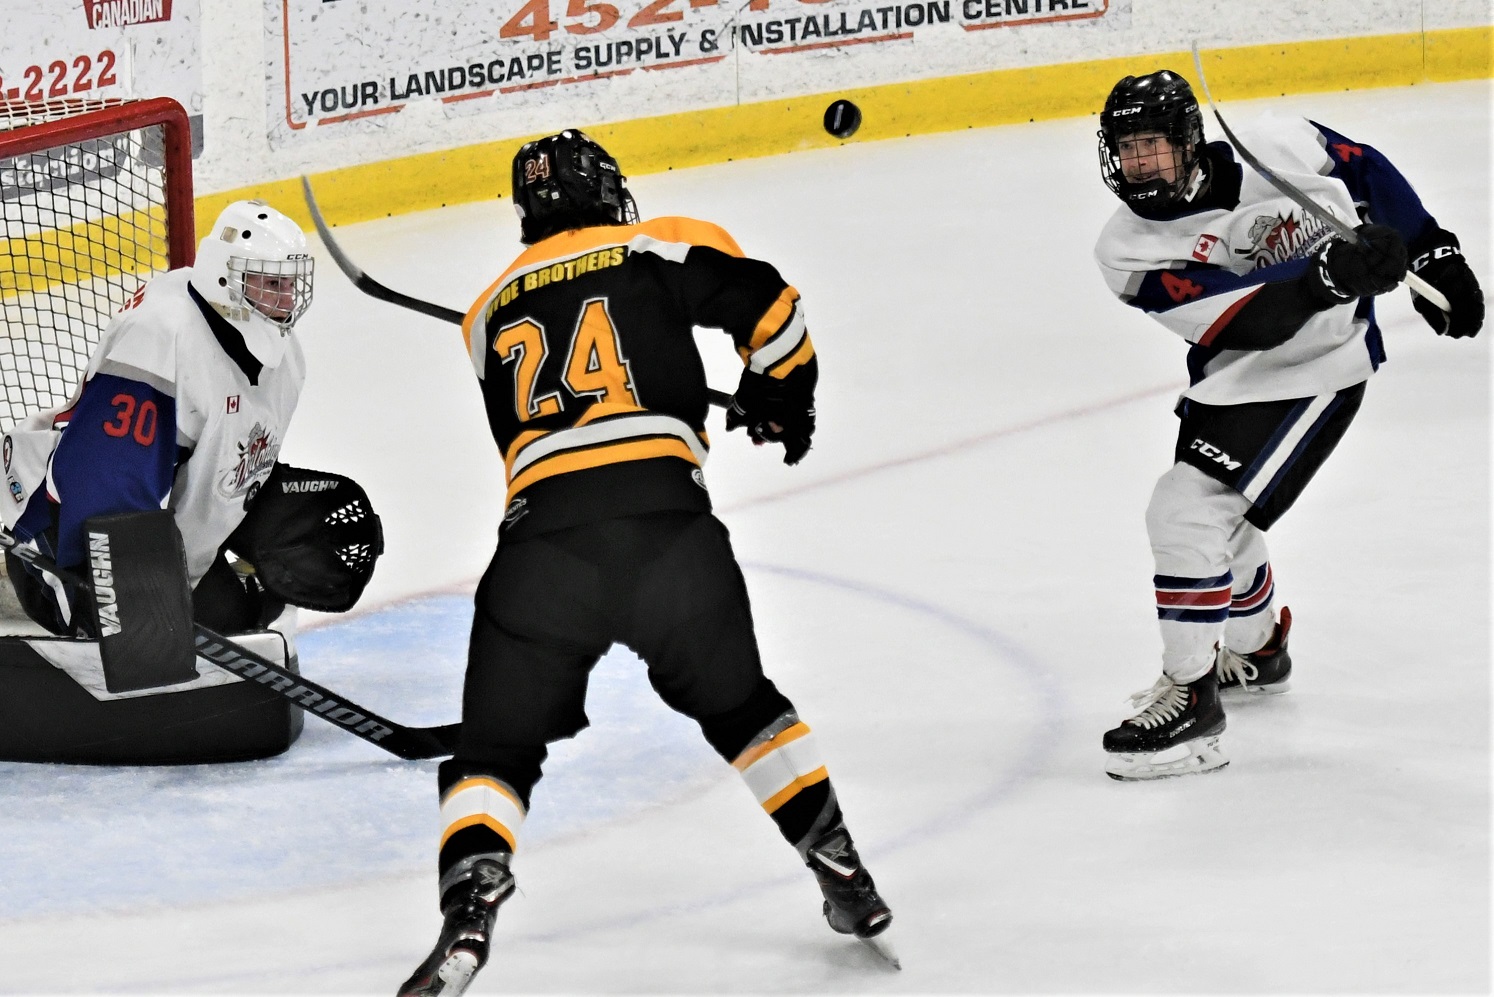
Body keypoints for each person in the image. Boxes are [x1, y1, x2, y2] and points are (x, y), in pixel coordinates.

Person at [397, 129, 894, 997]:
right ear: (604, 190)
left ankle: (471, 905)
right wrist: (781, 401)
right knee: (745, 710)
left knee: (494, 752)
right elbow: (773, 312)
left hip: (541, 548)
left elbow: (579, 400)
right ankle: (839, 864)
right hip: (667, 533)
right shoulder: (653, 240)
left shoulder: (485, 312)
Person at [1092, 71, 1483, 780]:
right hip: (1239, 371)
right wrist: (1327, 279)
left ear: (1188, 141)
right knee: (1217, 518)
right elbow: (1243, 320)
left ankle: (1193, 706)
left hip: (1320, 369)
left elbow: (1360, 165)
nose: (1139, 165)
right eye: (1128, 150)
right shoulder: (1126, 250)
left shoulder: (1274, 147)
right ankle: (1261, 648)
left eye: (1152, 146)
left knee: (1187, 510)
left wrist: (1433, 249)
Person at [1, 199, 381, 644]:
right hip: (62, 534)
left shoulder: (283, 352)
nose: (286, 299)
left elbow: (233, 455)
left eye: (290, 283)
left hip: (160, 508)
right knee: (227, 620)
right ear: (226, 278)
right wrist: (115, 606)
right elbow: (96, 483)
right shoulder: (162, 339)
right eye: (272, 283)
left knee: (319, 532)